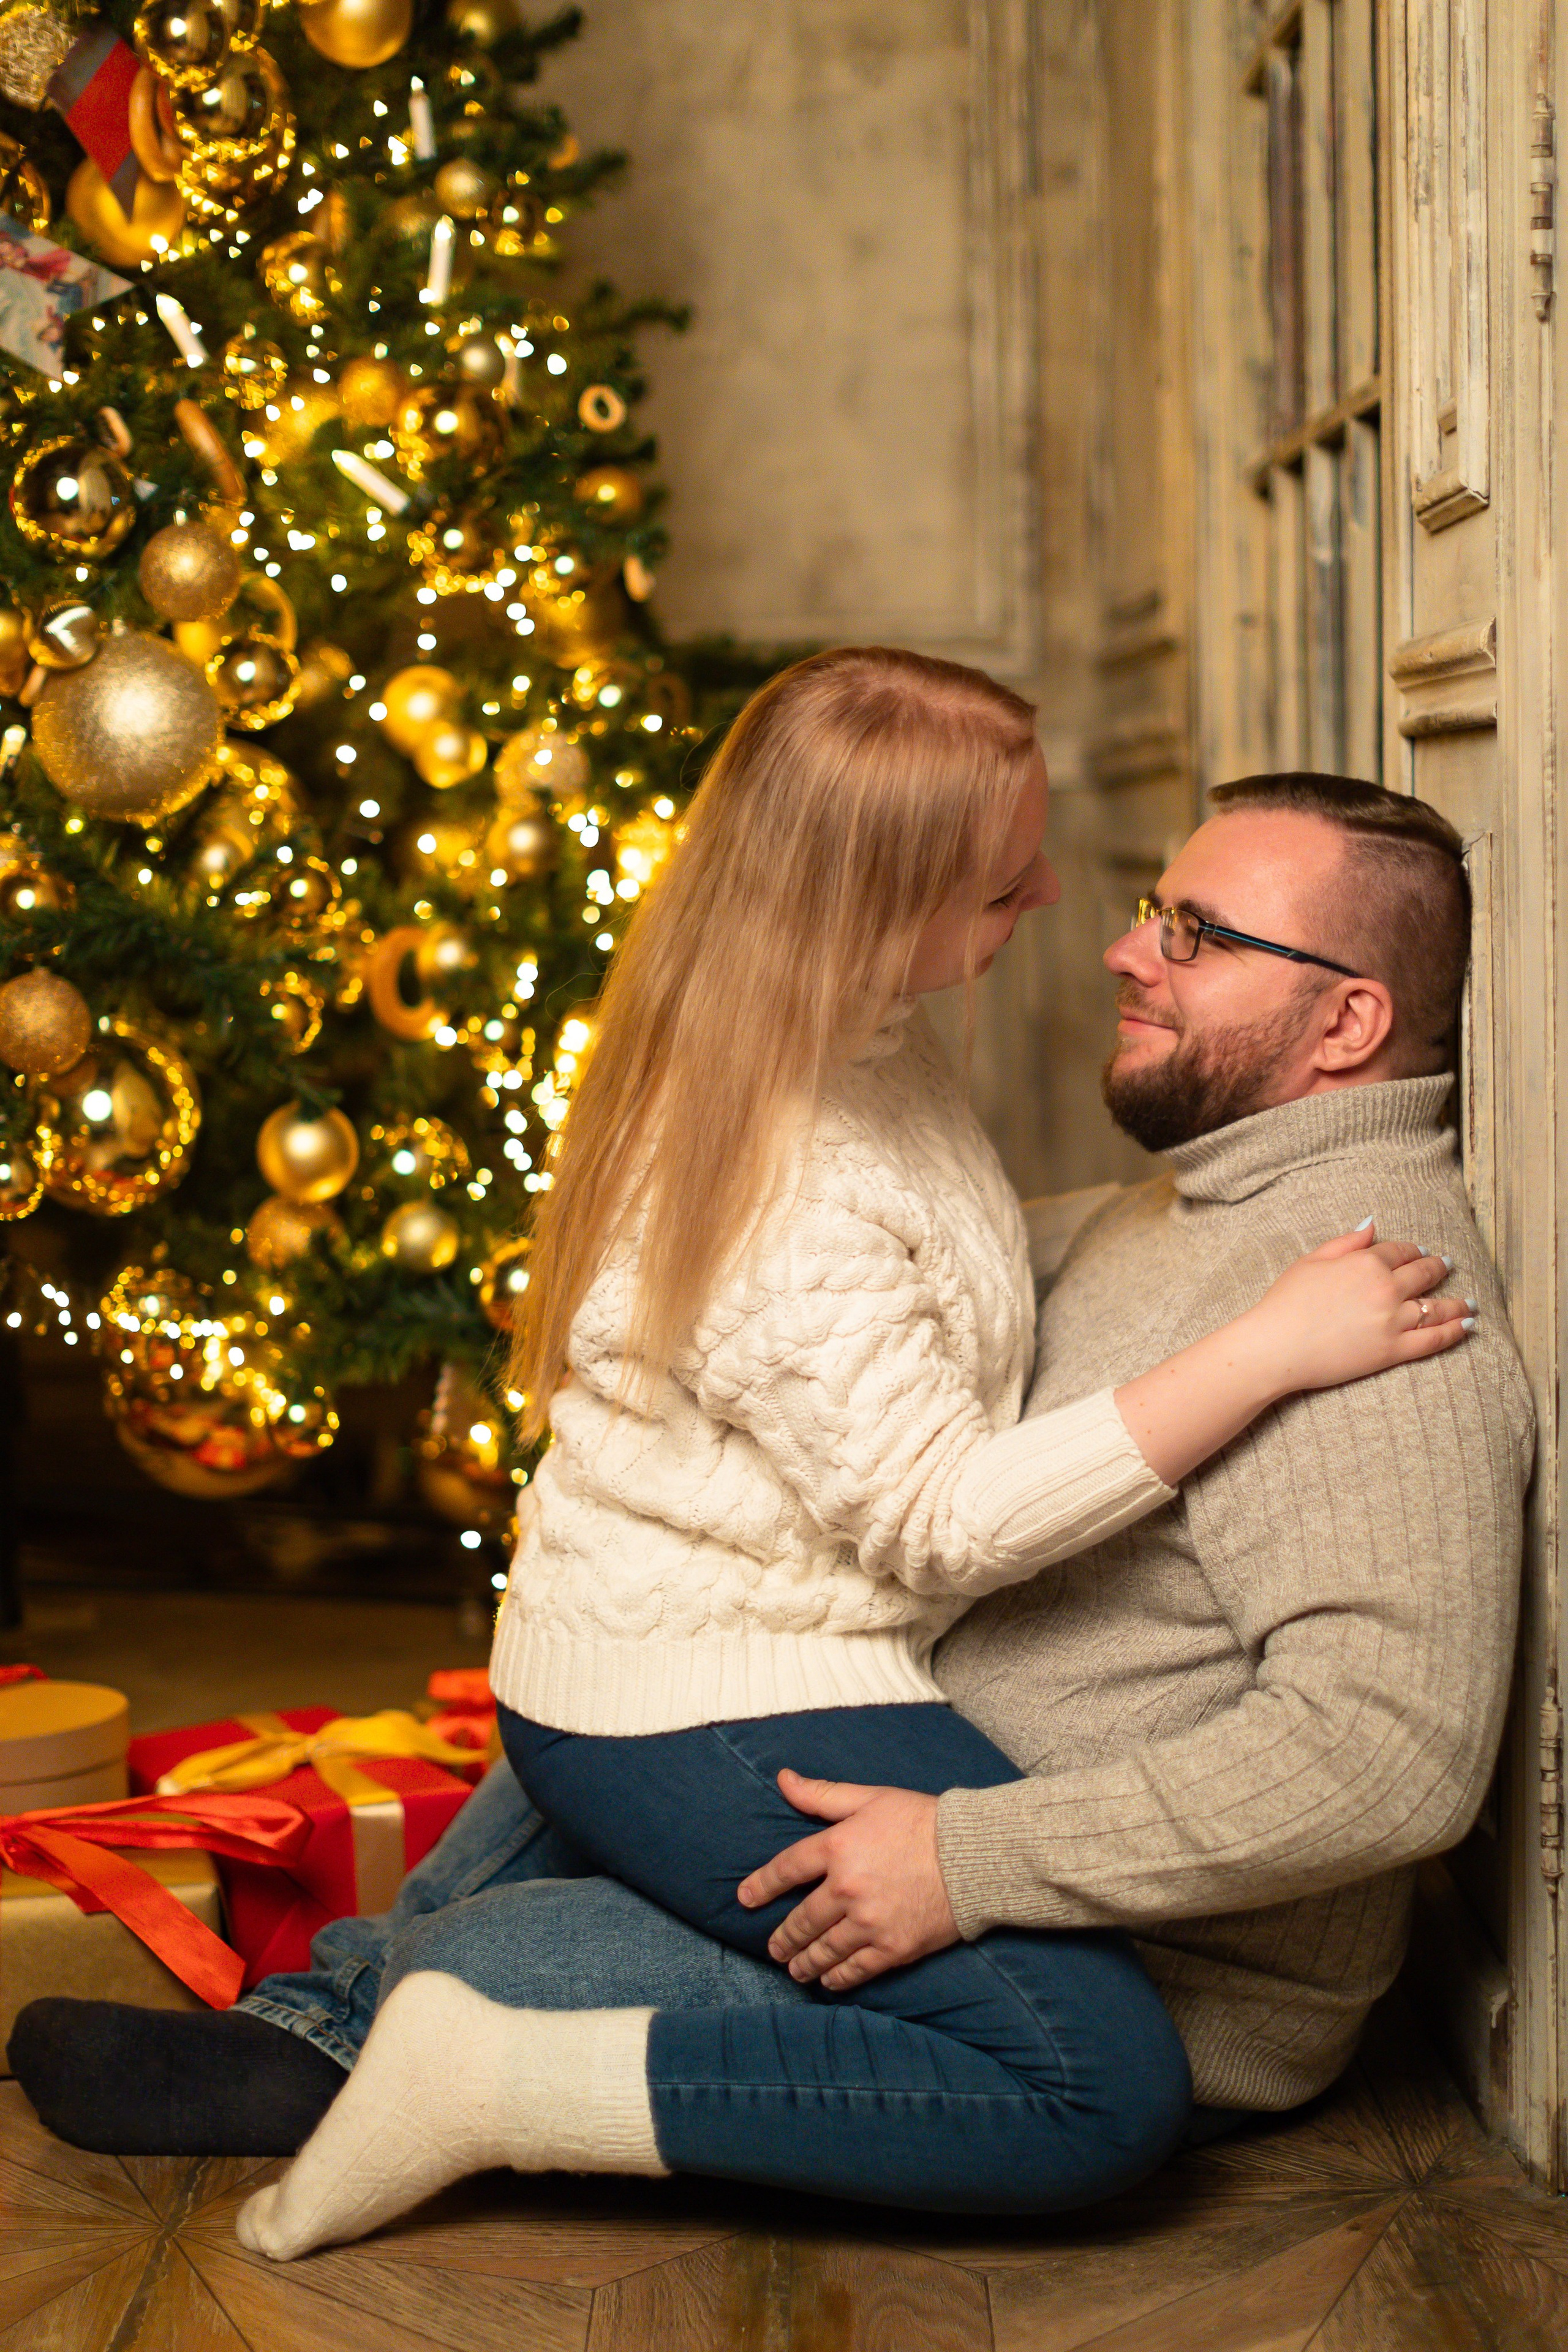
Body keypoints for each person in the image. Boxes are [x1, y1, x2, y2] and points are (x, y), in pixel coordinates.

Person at [12, 699, 1479, 2241]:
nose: (1103, 938)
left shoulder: (1374, 1303)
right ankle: (350, 2033)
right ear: (868, 913)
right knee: (617, 1736)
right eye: (1053, 893)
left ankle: (382, 2037)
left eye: (1193, 934)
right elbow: (902, 1353)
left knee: (1031, 2047)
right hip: (755, 1671)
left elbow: (1382, 1755)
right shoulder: (936, 1154)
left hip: (975, 1832)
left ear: (1347, 1024)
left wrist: (964, 1854)